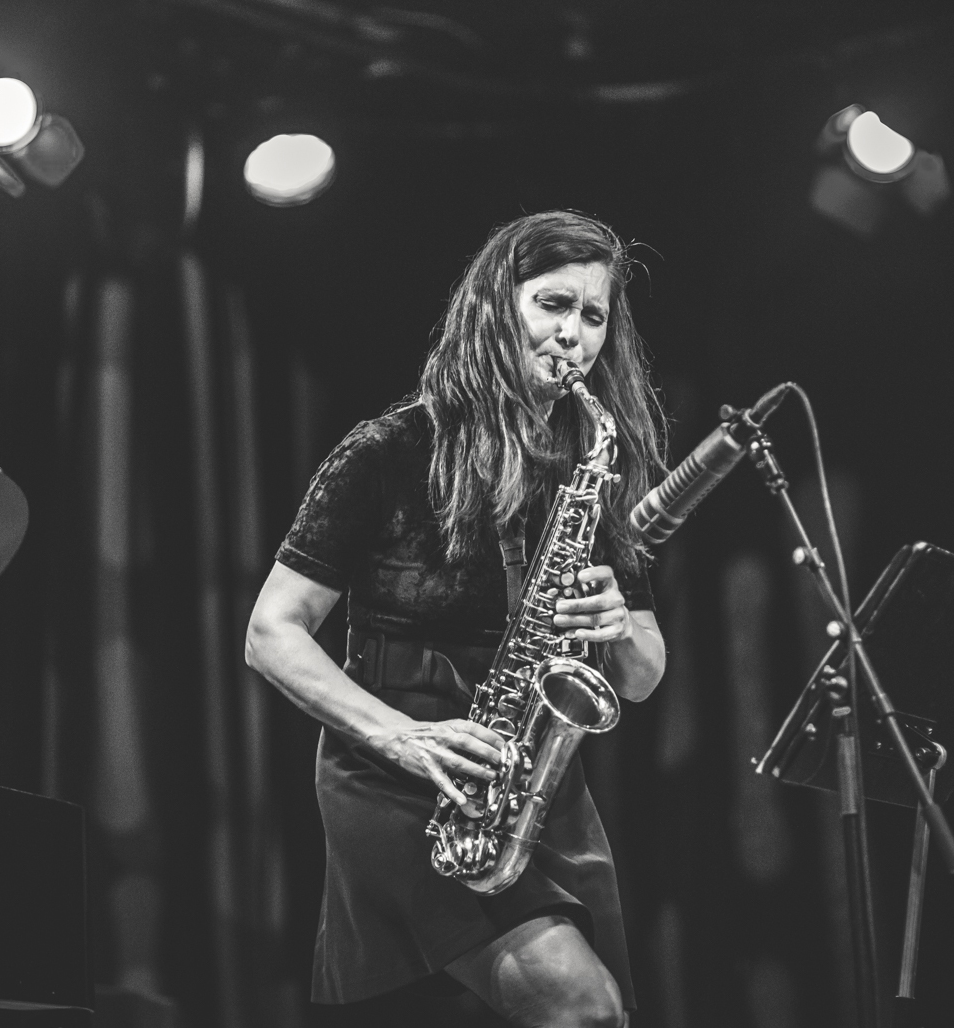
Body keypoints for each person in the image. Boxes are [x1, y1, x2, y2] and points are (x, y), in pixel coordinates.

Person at [246, 210, 668, 1027]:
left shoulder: (593, 465)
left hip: (534, 777)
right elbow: (272, 631)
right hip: (403, 775)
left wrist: (621, 627)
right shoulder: (390, 450)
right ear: (495, 307)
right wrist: (398, 736)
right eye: (553, 304)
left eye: (594, 316)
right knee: (582, 1007)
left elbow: (644, 679)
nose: (574, 335)